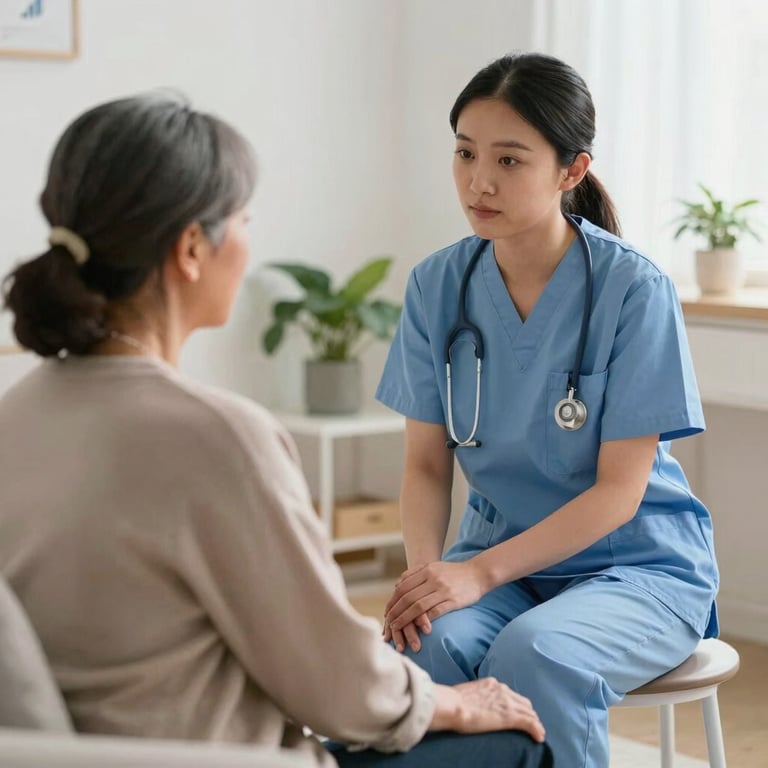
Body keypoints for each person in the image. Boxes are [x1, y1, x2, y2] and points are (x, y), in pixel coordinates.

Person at [0, 94, 552, 768]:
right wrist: (460, 702)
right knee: (514, 742)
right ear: (193, 249)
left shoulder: (14, 417)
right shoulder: (216, 439)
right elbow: (339, 690)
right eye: (243, 220)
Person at [376, 52, 720, 768]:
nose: (479, 180)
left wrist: (477, 576)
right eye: (466, 153)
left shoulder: (633, 290)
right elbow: (423, 463)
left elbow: (620, 494)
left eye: (509, 159)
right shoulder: (437, 286)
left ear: (571, 171)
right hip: (503, 559)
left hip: (636, 568)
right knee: (427, 641)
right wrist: (427, 579)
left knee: (539, 651)